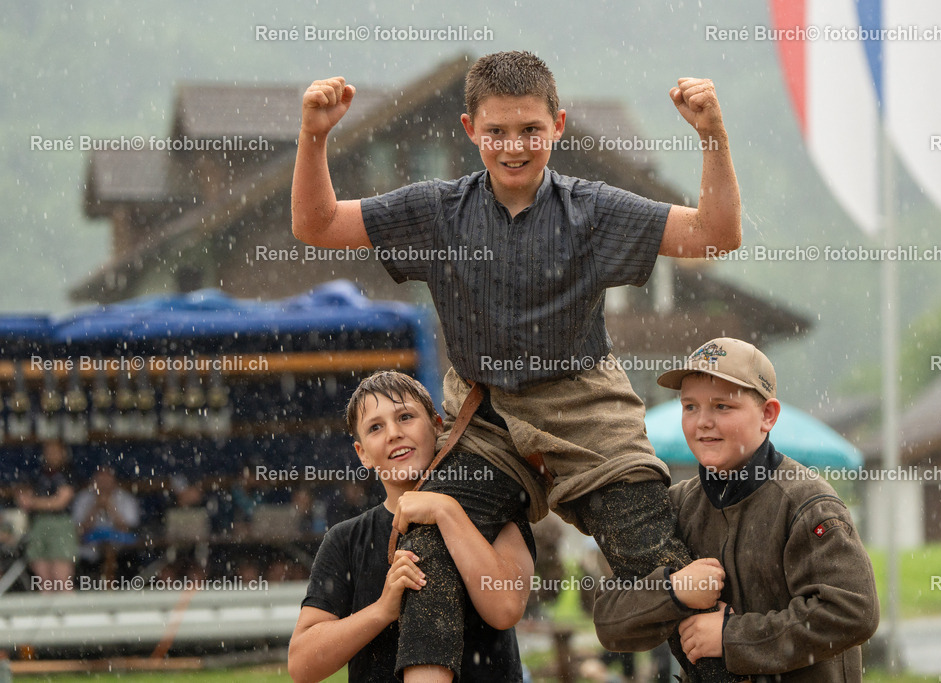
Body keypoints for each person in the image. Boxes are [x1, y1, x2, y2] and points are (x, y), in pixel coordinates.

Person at [291, 51, 741, 680]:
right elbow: (316, 225)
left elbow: (715, 235)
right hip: (488, 417)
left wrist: (712, 134)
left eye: (530, 130)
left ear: (557, 126)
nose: (514, 146)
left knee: (666, 569)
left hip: (587, 413)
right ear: (470, 130)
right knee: (424, 538)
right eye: (497, 130)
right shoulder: (436, 212)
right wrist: (315, 135)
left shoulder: (593, 209)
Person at [593, 338, 880, 681]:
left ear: (767, 415)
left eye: (722, 406)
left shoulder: (807, 505)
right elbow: (610, 622)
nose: (702, 422)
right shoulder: (674, 506)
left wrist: (731, 636)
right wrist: (673, 590)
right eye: (690, 407)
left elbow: (853, 611)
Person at [288, 371, 536, 683]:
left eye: (405, 417)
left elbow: (505, 608)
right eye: (376, 427)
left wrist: (446, 512)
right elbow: (301, 665)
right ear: (362, 453)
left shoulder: (494, 511)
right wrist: (382, 610)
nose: (393, 433)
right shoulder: (346, 540)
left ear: (437, 425)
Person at [16, 440, 77, 592]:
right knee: (43, 578)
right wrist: (25, 499)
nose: (51, 455)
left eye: (55, 451)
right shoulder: (38, 473)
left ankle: (68, 612)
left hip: (60, 524)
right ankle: (47, 613)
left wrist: (33, 502)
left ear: (63, 454)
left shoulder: (67, 473)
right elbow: (24, 495)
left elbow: (60, 502)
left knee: (62, 578)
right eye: (48, 451)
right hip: (38, 523)